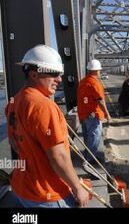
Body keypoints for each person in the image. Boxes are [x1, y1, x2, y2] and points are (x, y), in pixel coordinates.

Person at [5, 44, 89, 208]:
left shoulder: (13, 102)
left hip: (23, 188)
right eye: (54, 73)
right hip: (48, 193)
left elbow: (14, 143)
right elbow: (58, 157)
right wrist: (77, 187)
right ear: (34, 74)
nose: (59, 79)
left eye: (60, 74)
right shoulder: (44, 106)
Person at [77, 59, 111, 167]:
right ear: (96, 71)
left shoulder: (83, 81)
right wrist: (107, 114)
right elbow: (100, 100)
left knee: (88, 137)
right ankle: (90, 160)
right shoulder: (95, 83)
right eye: (99, 70)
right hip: (93, 114)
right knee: (95, 136)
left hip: (83, 113)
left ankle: (88, 155)